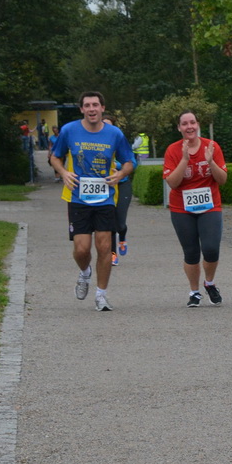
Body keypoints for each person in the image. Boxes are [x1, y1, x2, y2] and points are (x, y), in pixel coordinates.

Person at [48, 91, 136, 311]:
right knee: (81, 249)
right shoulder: (69, 130)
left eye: (95, 105)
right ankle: (85, 272)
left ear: (102, 108)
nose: (92, 109)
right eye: (87, 105)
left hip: (105, 198)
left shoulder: (114, 134)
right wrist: (63, 173)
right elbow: (55, 156)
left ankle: (101, 295)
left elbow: (129, 161)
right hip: (79, 197)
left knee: (105, 247)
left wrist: (119, 174)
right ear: (81, 110)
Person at [162, 110, 228, 307]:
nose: (189, 127)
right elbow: (172, 183)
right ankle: (195, 292)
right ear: (179, 128)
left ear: (197, 124)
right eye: (184, 124)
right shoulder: (173, 150)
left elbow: (223, 180)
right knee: (191, 253)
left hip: (210, 206)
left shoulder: (212, 146)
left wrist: (210, 161)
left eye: (192, 122)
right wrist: (184, 159)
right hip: (182, 208)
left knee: (210, 249)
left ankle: (209, 282)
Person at [104, 117, 134, 265]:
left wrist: (116, 165)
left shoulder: (119, 141)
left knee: (119, 223)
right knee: (109, 223)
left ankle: (122, 237)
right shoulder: (97, 144)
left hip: (122, 185)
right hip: (106, 186)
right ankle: (112, 254)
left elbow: (132, 162)